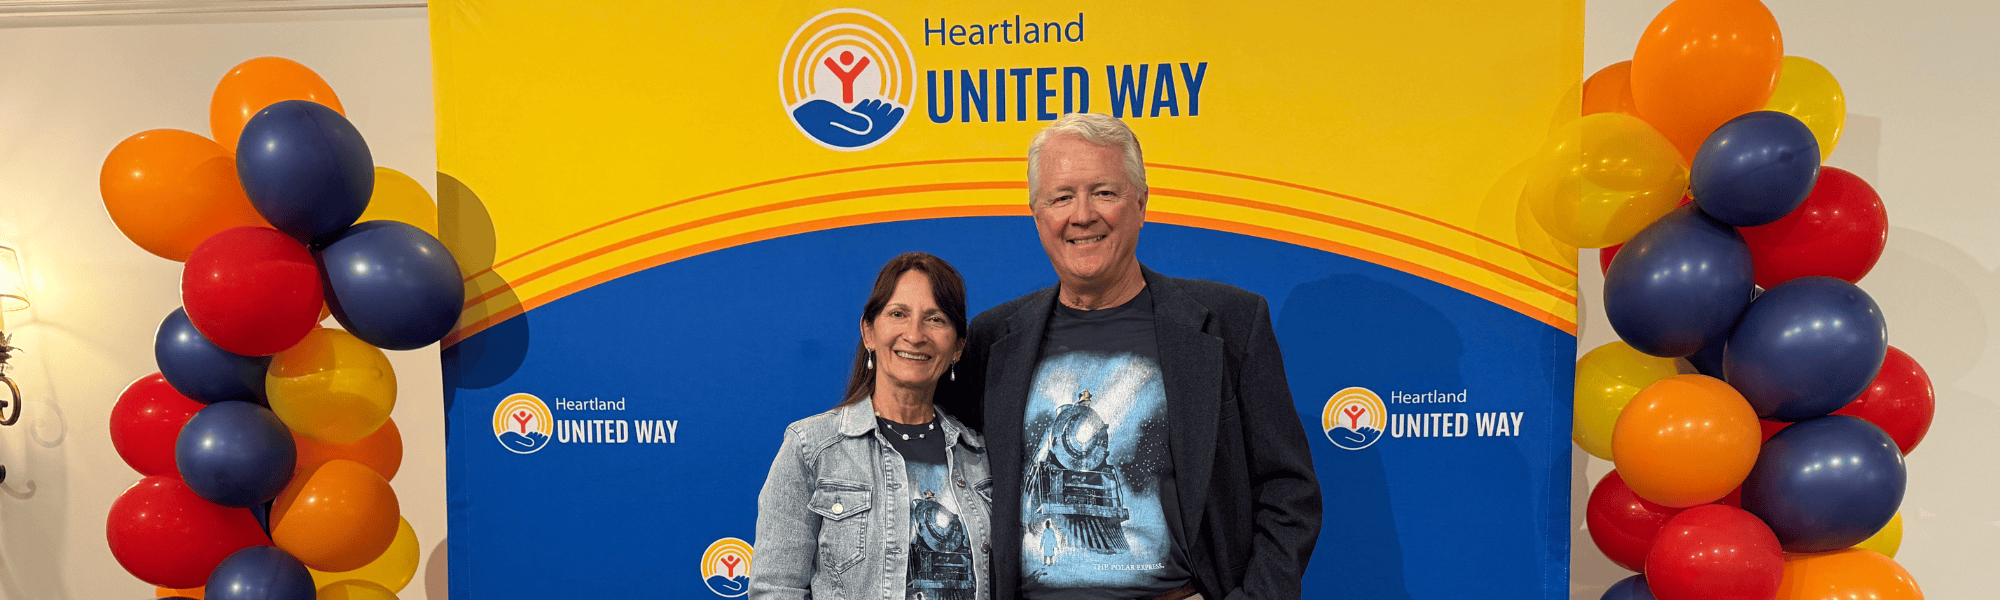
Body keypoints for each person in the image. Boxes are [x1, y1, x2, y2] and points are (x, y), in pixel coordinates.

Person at [941, 113, 1322, 600]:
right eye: (1062, 197)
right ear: (1037, 213)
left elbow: (1290, 492)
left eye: (1104, 192)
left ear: (1141, 203)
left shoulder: (1231, 323)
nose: (1082, 215)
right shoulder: (993, 339)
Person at [750, 253, 993, 600]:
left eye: (935, 319)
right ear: (869, 332)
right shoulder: (811, 448)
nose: (915, 334)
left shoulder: (982, 457)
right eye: (898, 314)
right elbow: (775, 590)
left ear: (957, 346)